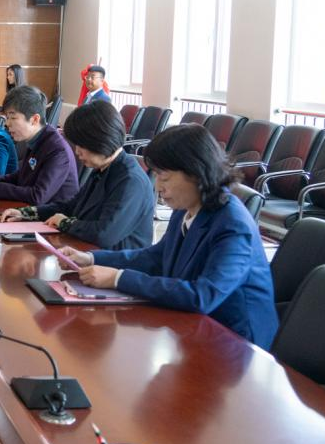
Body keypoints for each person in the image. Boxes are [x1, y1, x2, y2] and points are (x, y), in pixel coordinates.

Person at [68, 124, 278, 348]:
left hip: (237, 341)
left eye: (164, 177)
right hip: (194, 326)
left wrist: (118, 278)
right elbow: (157, 256)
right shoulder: (185, 208)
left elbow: (203, 295)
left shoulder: (233, 225)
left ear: (195, 173)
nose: (157, 186)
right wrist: (91, 258)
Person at [4, 100, 155, 250]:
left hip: (114, 260)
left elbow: (104, 234)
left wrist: (64, 222)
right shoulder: (103, 168)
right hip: (86, 252)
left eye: (81, 145)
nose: (77, 152)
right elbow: (71, 206)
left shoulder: (130, 180)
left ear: (100, 140)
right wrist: (26, 213)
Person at [0, 86, 78, 204]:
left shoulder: (57, 149)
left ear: (34, 119)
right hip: (29, 209)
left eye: (13, 117)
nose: (7, 123)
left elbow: (38, 196)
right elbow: (20, 177)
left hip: (51, 213)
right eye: (7, 117)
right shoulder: (37, 139)